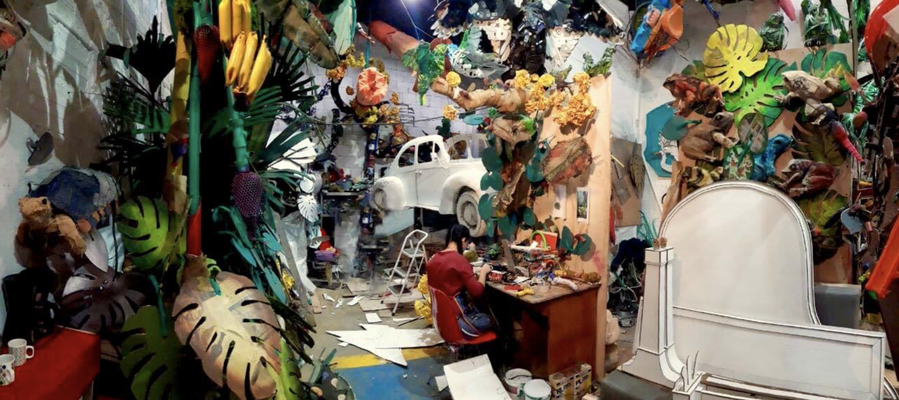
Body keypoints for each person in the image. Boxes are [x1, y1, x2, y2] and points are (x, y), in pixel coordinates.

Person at [426, 224, 494, 338]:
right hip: (459, 326)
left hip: (441, 323)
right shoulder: (459, 260)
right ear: (463, 240)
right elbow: (477, 291)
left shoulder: (433, 259)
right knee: (491, 319)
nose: (466, 246)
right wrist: (483, 272)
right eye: (466, 244)